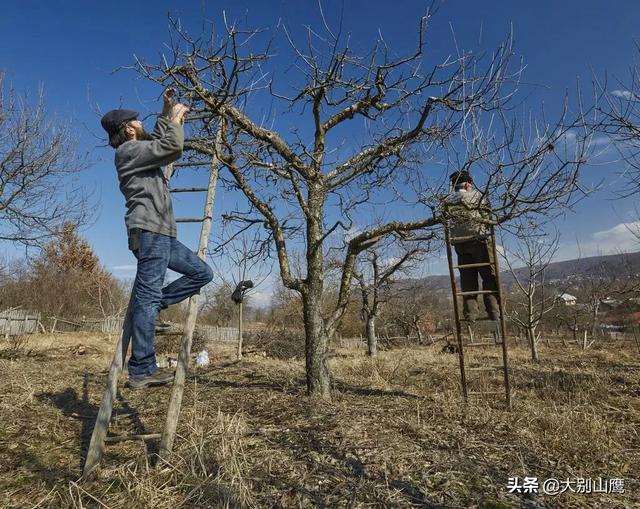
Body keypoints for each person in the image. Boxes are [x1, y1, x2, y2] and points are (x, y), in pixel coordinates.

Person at [101, 89, 214, 389]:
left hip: (161, 233)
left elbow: (157, 142)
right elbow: (171, 148)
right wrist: (176, 119)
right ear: (128, 129)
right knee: (147, 298)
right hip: (149, 231)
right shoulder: (127, 152)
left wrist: (166, 112)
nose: (140, 121)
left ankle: (152, 305)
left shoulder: (140, 150)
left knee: (202, 273)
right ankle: (141, 369)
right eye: (136, 120)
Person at [446, 170, 500, 322]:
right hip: (479, 240)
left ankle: (470, 314)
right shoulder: (478, 197)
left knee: (467, 279)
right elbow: (487, 215)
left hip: (459, 243)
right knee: (488, 276)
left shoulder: (448, 201)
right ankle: (494, 311)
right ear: (468, 183)